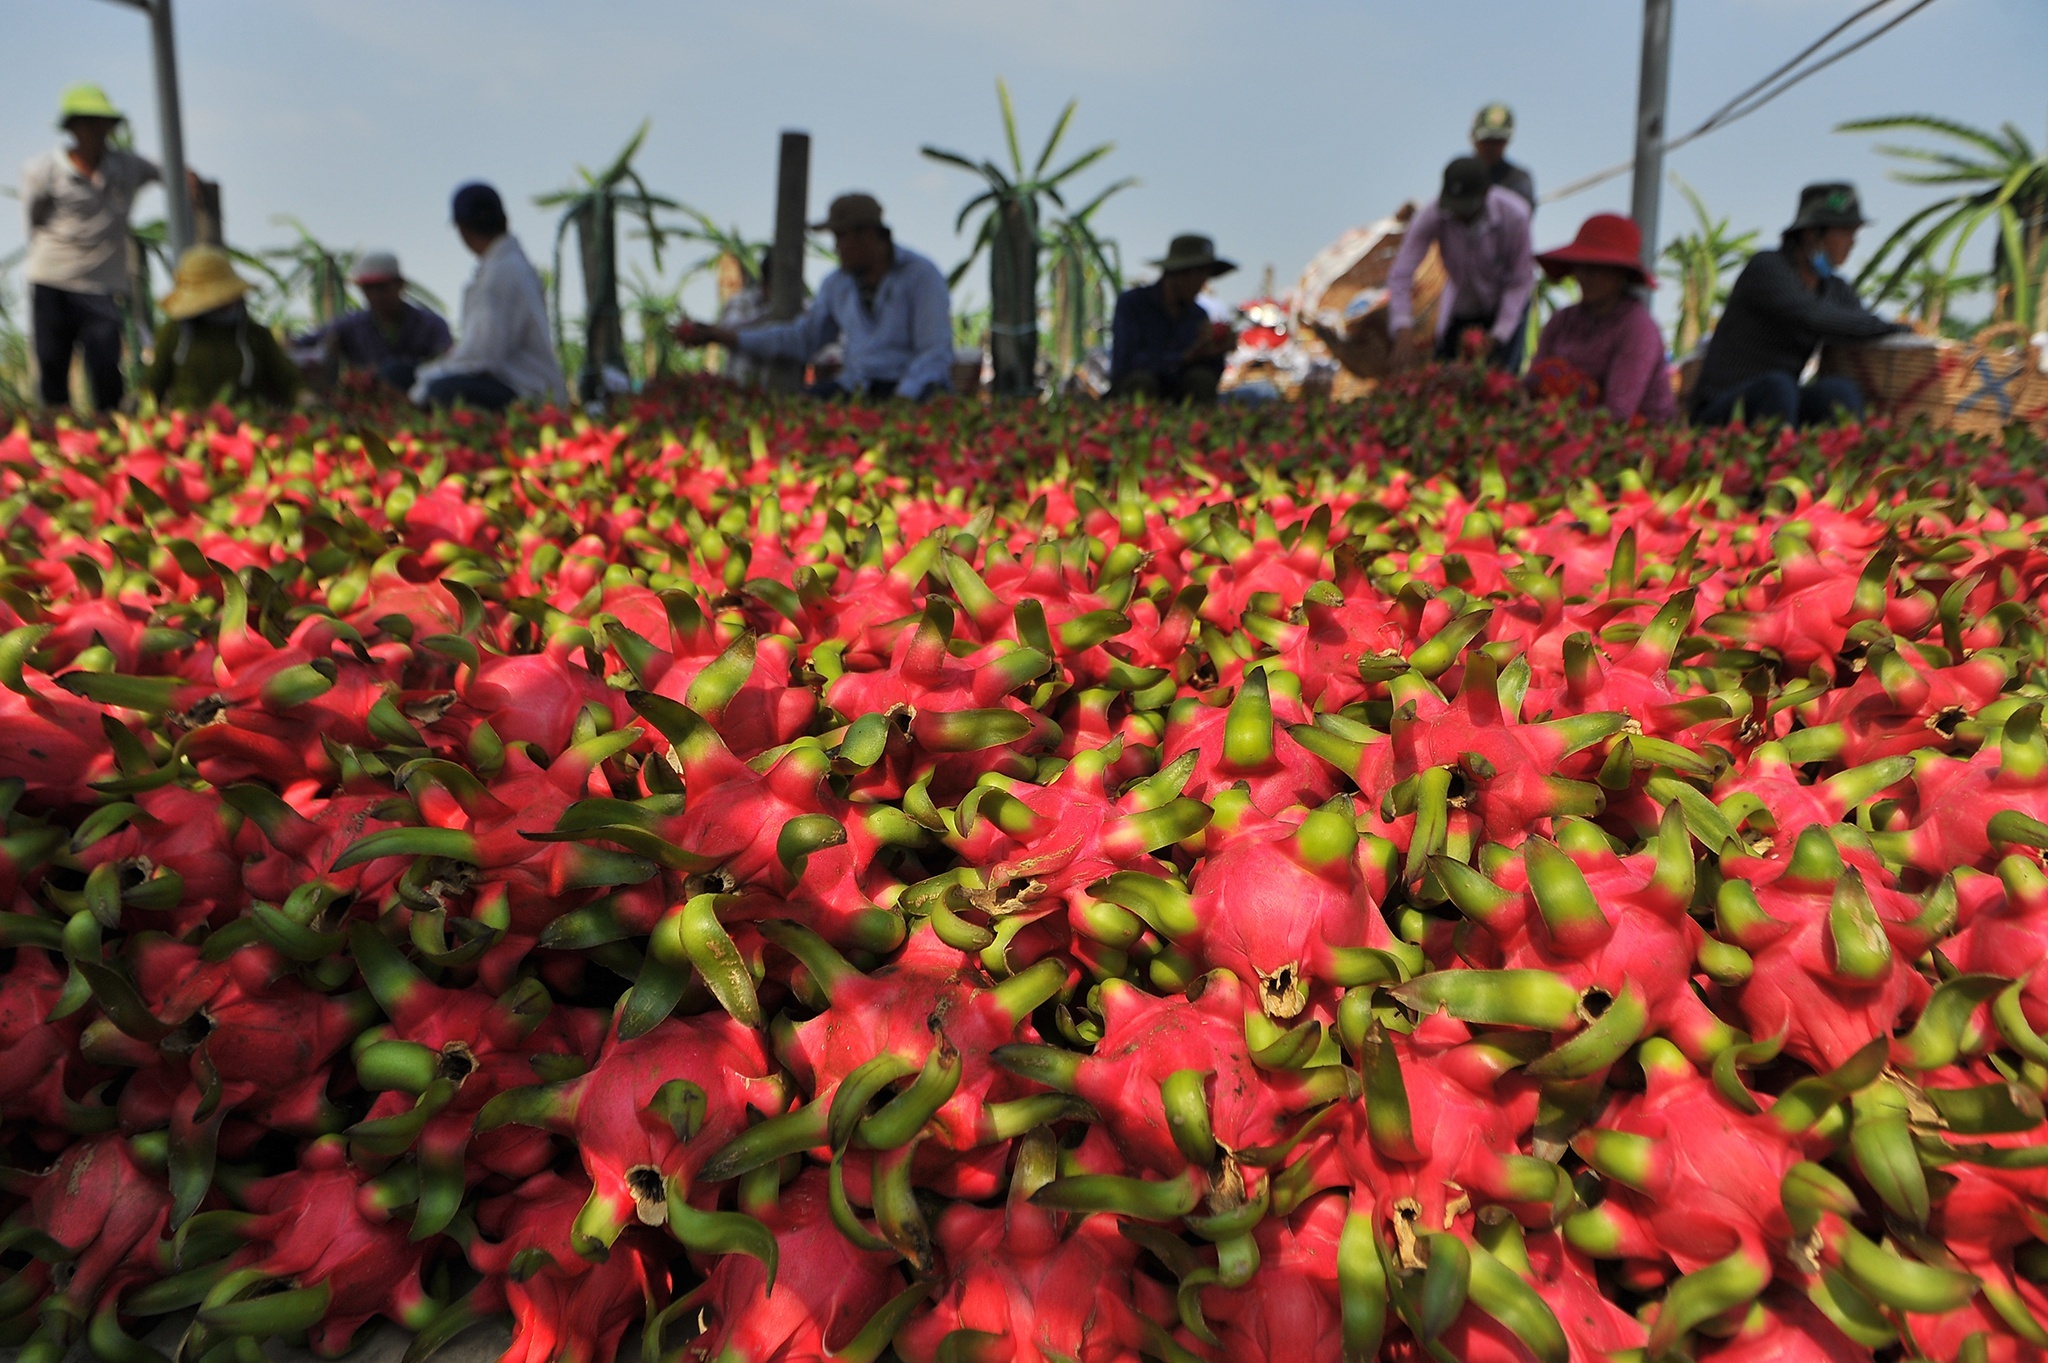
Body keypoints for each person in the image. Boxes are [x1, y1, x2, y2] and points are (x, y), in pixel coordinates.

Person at [674, 194, 952, 400]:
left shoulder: (921, 276)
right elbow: (803, 338)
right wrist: (724, 336)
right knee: (793, 409)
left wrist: (903, 399)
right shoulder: (837, 284)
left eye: (841, 237)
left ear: (868, 235)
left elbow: (934, 352)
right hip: (857, 388)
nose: (837, 247)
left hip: (914, 390)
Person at [1692, 183, 1908, 428]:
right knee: (1777, 387)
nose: (1852, 242)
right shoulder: (1767, 268)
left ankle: (1844, 460)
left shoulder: (1834, 288)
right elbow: (1811, 315)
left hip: (1782, 404)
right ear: (1811, 234)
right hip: (1722, 408)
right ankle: (1776, 461)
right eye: (1845, 232)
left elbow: (1859, 321)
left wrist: (1898, 331)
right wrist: (1886, 326)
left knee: (1839, 393)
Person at [21, 84, 177, 412]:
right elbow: (33, 219)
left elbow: (167, 173)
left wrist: (187, 177)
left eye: (103, 122)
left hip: (102, 283)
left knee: (106, 363)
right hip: (53, 279)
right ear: (73, 128)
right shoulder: (44, 171)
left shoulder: (126, 167)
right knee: (52, 363)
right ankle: (55, 434)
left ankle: (109, 432)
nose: (97, 130)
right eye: (88, 122)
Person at [411, 183, 566, 411]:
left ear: (462, 229)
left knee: (440, 391)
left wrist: (423, 381)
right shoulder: (513, 267)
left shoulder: (499, 275)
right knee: (414, 377)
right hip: (528, 385)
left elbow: (482, 358)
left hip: (525, 391)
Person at [1388, 157, 1536, 371]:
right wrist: (1402, 326)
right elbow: (1401, 273)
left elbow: (1520, 281)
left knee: (1500, 378)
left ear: (1485, 194)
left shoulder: (1515, 216)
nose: (1458, 215)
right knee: (1446, 375)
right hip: (1462, 308)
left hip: (1505, 310)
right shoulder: (1433, 214)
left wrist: (1498, 335)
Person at [1525, 213, 1673, 423]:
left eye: (1596, 268)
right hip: (1558, 428)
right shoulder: (1562, 320)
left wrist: (1551, 419)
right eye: (1581, 265)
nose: (1585, 276)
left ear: (1620, 274)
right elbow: (1530, 384)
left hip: (1632, 439)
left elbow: (1618, 413)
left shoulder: (1638, 327)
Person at [146, 246, 299, 410]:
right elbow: (154, 382)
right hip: (189, 427)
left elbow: (288, 380)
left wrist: (304, 397)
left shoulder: (256, 335)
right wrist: (139, 400)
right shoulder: (174, 333)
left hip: (248, 425)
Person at [1109, 235, 1238, 400]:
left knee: (1202, 380)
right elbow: (1124, 363)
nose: (1202, 283)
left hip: (1178, 398)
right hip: (1135, 394)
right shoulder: (1133, 304)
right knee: (1142, 382)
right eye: (1198, 275)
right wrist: (1182, 357)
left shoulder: (1198, 316)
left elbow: (1209, 375)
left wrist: (1215, 352)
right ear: (1177, 274)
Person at [301, 251, 451, 392]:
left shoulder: (431, 324)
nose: (376, 295)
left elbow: (449, 362)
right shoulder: (350, 325)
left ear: (400, 284)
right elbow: (305, 343)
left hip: (422, 397)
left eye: (382, 287)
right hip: (367, 401)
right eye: (368, 289)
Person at [1471, 102, 1535, 209]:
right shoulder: (1457, 175)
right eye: (1487, 140)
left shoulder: (1519, 179)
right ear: (1473, 136)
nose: (1491, 147)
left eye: (1498, 141)